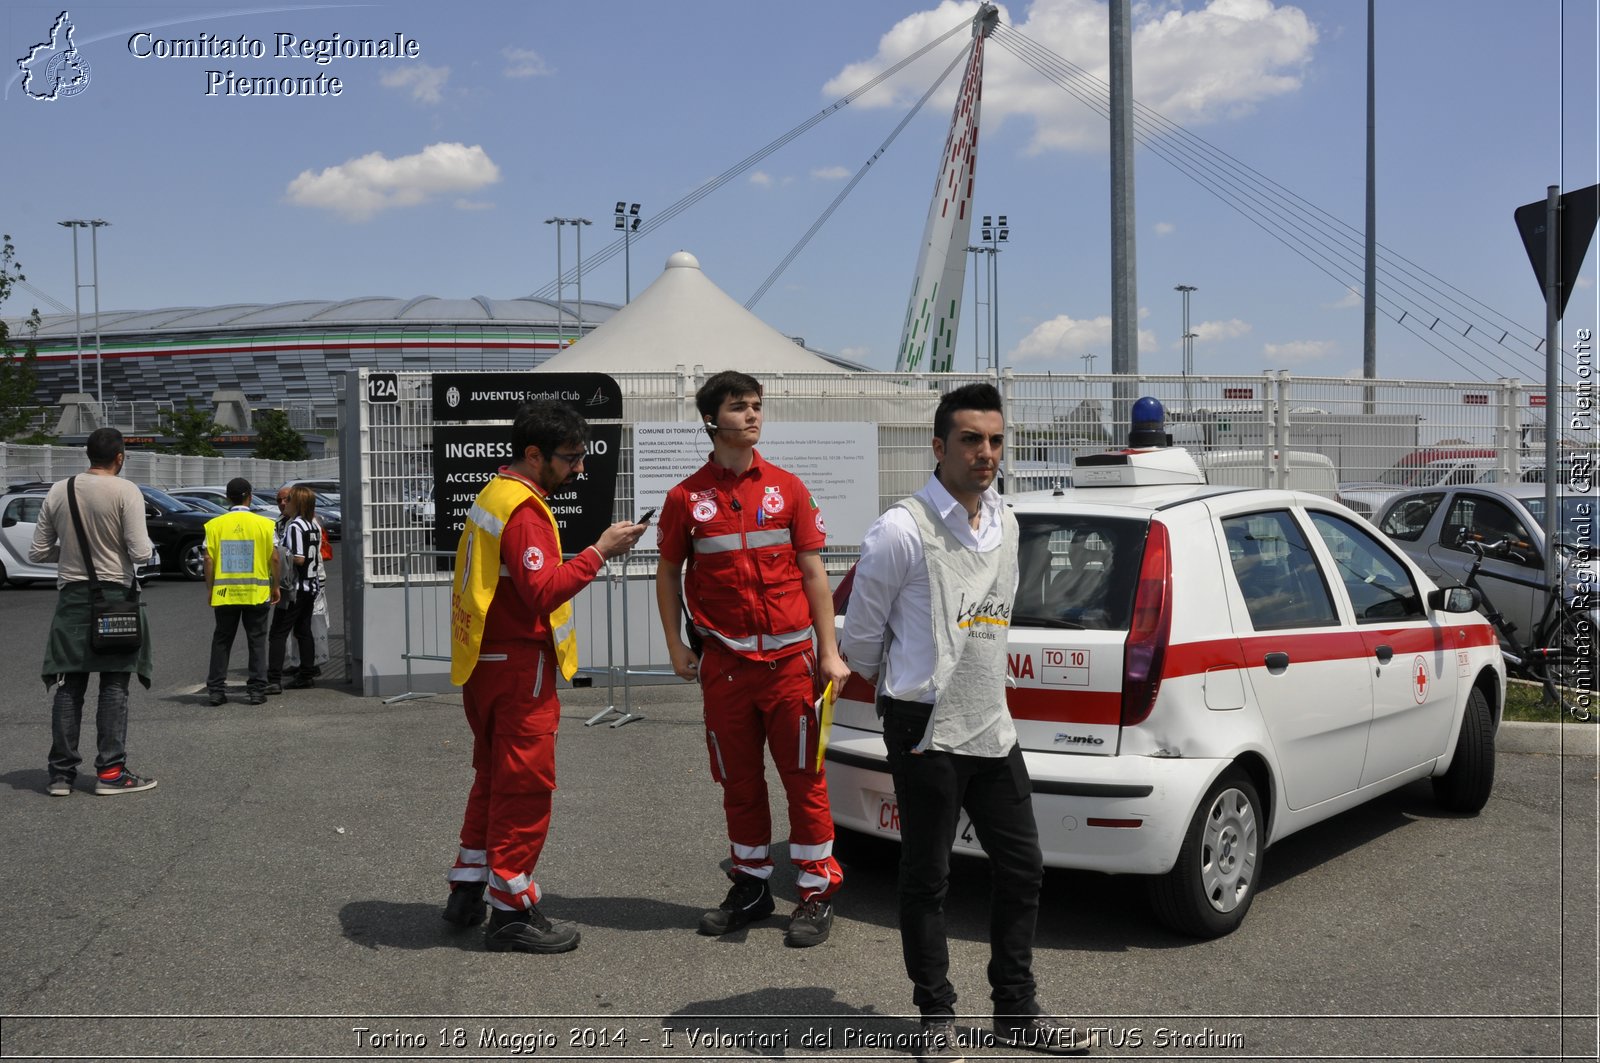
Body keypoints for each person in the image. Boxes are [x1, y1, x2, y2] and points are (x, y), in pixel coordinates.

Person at [839, 383, 1093, 1059]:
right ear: (939, 446)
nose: (986, 453)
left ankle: (1015, 1009)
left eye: (996, 439)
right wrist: (907, 686)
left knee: (1023, 866)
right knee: (928, 875)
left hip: (990, 722)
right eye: (971, 439)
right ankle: (936, 1014)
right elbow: (860, 641)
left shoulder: (1007, 522)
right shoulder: (900, 528)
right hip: (924, 727)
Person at [654, 370, 850, 948]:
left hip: (791, 664)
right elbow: (667, 574)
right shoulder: (684, 498)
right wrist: (674, 645)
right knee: (737, 781)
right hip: (725, 666)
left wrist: (829, 653)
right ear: (712, 419)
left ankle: (815, 891)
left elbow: (814, 573)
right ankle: (752, 884)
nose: (753, 416)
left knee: (804, 779)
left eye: (757, 406)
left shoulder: (788, 489)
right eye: (740, 407)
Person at [445, 400, 648, 954]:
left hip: (485, 663)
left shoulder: (494, 492)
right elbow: (542, 592)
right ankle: (510, 909)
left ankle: (468, 885)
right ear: (534, 455)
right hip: (519, 669)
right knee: (526, 789)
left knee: (492, 777)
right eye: (571, 457)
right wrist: (599, 553)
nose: (580, 468)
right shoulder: (525, 509)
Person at [32, 428, 159, 796]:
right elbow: (140, 552)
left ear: (87, 455)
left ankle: (60, 775)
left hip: (71, 600)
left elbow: (38, 552)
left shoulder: (59, 490)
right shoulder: (125, 490)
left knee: (69, 685)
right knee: (114, 683)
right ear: (120, 457)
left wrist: (71, 553)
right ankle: (110, 773)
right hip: (115, 597)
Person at [203, 477, 280, 706]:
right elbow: (275, 558)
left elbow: (208, 558)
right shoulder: (265, 524)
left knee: (222, 640)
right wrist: (275, 586)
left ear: (227, 498)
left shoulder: (215, 525)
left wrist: (210, 588)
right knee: (256, 640)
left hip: (225, 593)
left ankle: (216, 690)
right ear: (250, 496)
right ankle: (257, 690)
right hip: (256, 593)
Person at [267, 484, 322, 693]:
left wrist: (282, 555)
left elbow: (299, 558)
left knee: (278, 633)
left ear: (297, 503)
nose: (284, 503)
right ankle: (307, 674)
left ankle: (273, 679)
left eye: (288, 499)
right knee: (303, 629)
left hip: (295, 588)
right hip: (310, 585)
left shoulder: (295, 526)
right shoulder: (312, 525)